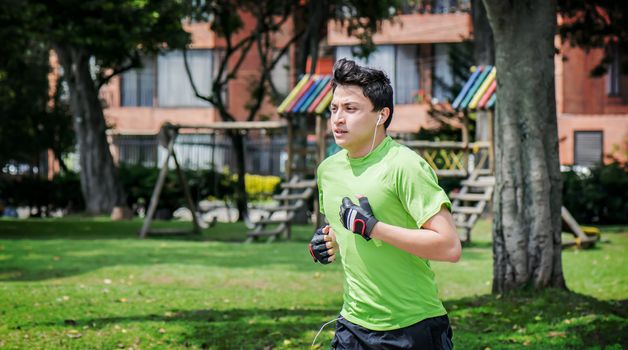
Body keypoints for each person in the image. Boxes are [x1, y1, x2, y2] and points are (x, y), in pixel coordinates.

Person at [308, 58, 461, 349]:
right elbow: (343, 228)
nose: (338, 119)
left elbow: (449, 247)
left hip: (412, 326)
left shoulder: (405, 166)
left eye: (350, 109)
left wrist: (376, 228)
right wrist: (327, 241)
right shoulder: (328, 170)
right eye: (334, 109)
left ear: (381, 115)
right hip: (352, 324)